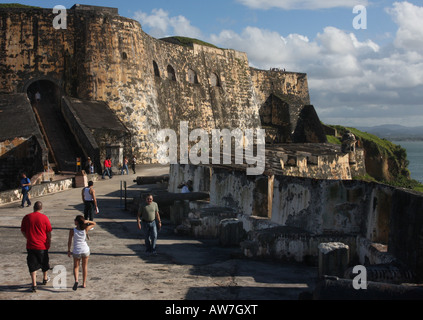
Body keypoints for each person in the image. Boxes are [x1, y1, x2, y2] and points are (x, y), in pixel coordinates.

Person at [21, 201, 52, 293]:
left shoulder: (27, 217)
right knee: (44, 262)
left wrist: (28, 238)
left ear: (33, 207)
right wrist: (49, 241)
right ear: (41, 208)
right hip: (42, 245)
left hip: (31, 245)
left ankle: (34, 284)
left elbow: (23, 230)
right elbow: (49, 232)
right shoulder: (44, 218)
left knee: (32, 264)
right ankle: (45, 278)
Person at [67, 215, 96, 290]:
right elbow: (94, 223)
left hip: (76, 251)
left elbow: (69, 241)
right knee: (84, 267)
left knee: (76, 267)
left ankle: (76, 280)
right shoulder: (85, 229)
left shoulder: (72, 231)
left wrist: (68, 250)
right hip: (85, 250)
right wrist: (88, 221)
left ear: (77, 222)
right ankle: (84, 283)